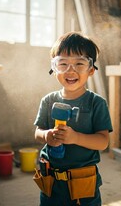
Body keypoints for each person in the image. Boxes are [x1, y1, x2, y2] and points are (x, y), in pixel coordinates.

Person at [33, 31, 113, 206]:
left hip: (82, 183)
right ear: (54, 69)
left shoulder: (96, 103)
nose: (71, 70)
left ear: (91, 70)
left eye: (79, 63)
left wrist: (75, 137)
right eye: (63, 64)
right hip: (50, 181)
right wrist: (47, 136)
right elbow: (37, 132)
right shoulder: (48, 101)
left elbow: (103, 142)